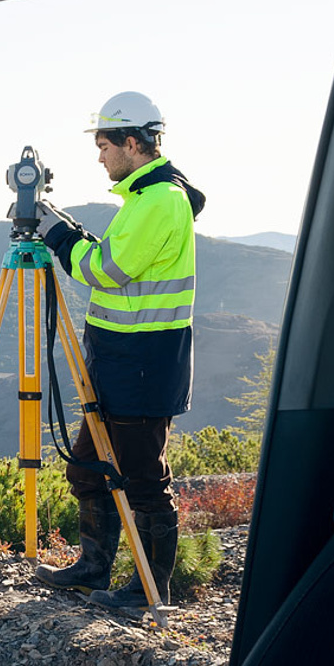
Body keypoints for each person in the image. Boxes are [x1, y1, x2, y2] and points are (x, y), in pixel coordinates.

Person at [32, 91, 204, 612]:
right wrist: (70, 230)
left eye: (104, 143)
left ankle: (151, 590)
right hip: (117, 363)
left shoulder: (159, 201)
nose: (99, 155)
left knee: (144, 481)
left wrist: (58, 234)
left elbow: (103, 271)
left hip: (144, 367)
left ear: (133, 143)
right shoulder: (142, 201)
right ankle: (93, 568)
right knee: (86, 466)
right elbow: (115, 260)